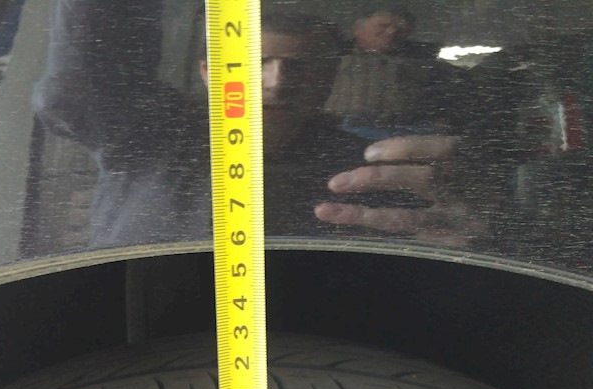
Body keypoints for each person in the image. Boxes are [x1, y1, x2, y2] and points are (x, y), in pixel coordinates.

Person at [33, 1, 489, 249]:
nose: (276, 82)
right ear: (208, 72)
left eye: (301, 67)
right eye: (253, 62)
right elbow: (75, 88)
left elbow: (442, 243)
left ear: (329, 77)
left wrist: (477, 223)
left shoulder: (369, 168)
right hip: (134, 337)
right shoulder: (150, 131)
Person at [324, 5, 469, 141]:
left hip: (409, 136)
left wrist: (443, 119)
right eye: (383, 26)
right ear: (358, 29)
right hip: (338, 137)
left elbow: (451, 96)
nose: (392, 31)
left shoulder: (427, 62)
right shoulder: (330, 58)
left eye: (401, 28)